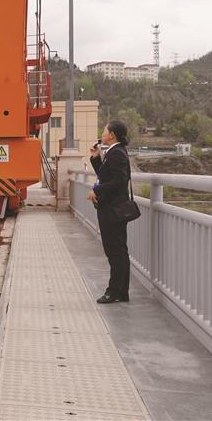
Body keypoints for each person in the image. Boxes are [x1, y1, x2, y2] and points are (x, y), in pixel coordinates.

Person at [89, 121, 133, 304]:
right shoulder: (114, 152)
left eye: (104, 131)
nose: (102, 133)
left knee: (115, 252)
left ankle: (114, 291)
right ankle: (121, 291)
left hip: (113, 209)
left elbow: (119, 181)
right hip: (112, 208)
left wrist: (97, 190)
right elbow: (106, 176)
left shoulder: (117, 153)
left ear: (112, 135)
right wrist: (96, 158)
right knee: (118, 251)